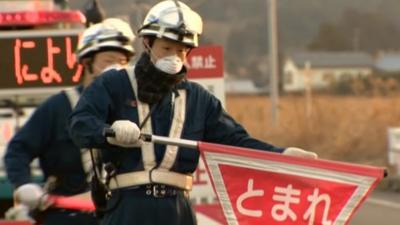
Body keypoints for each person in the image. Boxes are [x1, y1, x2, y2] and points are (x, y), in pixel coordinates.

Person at [67, 1, 317, 225]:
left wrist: (283, 155)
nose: (174, 57)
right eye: (166, 48)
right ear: (147, 43)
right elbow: (79, 124)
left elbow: (237, 143)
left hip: (178, 210)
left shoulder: (199, 98)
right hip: (128, 207)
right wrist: (109, 132)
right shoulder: (113, 83)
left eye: (181, 51)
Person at [3, 18, 136, 225]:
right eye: (109, 61)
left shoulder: (134, 109)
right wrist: (23, 184)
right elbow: (18, 150)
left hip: (121, 215)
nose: (116, 69)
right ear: (86, 62)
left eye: (123, 62)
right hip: (67, 216)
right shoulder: (58, 107)